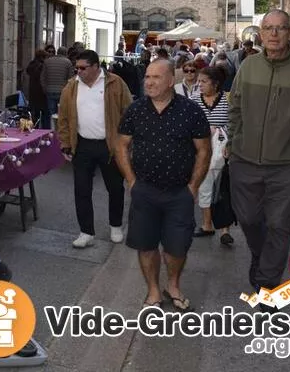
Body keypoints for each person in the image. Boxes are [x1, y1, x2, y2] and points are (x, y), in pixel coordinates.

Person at [227, 10, 290, 306]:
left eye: (280, 28)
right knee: (248, 218)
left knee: (279, 224)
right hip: (244, 159)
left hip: (287, 163)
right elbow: (236, 107)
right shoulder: (249, 66)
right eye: (268, 28)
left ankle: (267, 285)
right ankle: (262, 257)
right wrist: (232, 141)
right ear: (260, 33)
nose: (273, 34)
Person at [114, 59, 211, 311]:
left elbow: (204, 151)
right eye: (147, 77)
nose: (149, 82)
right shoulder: (135, 110)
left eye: (156, 77)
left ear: (171, 81)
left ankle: (174, 285)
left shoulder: (191, 111)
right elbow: (121, 145)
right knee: (146, 245)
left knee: (176, 247)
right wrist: (131, 181)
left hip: (179, 192)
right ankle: (154, 291)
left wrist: (193, 186)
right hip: (144, 190)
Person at [58, 50, 132, 248]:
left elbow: (128, 111)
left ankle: (115, 225)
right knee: (81, 189)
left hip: (110, 146)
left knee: (115, 187)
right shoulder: (72, 86)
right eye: (77, 68)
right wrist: (65, 142)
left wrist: (126, 141)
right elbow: (63, 116)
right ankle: (86, 232)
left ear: (95, 66)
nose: (78, 71)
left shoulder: (115, 83)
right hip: (82, 145)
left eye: (83, 68)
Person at [193, 66, 233, 245]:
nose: (199, 84)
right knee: (205, 186)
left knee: (224, 188)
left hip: (224, 150)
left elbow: (236, 123)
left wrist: (220, 132)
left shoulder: (228, 99)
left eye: (203, 81)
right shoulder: (194, 100)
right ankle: (207, 224)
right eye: (199, 81)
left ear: (215, 84)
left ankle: (225, 230)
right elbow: (189, 123)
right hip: (201, 150)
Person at [40, 46, 74, 126]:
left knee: (51, 112)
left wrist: (44, 88)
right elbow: (71, 78)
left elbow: (42, 77)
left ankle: (51, 130)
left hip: (49, 90)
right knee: (61, 113)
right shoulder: (68, 62)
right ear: (66, 53)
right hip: (62, 91)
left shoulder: (47, 61)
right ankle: (59, 130)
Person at [25, 49, 48, 129]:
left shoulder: (32, 64)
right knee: (44, 112)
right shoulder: (42, 65)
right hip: (40, 90)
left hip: (33, 90)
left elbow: (28, 71)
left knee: (35, 112)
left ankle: (34, 126)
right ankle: (42, 128)